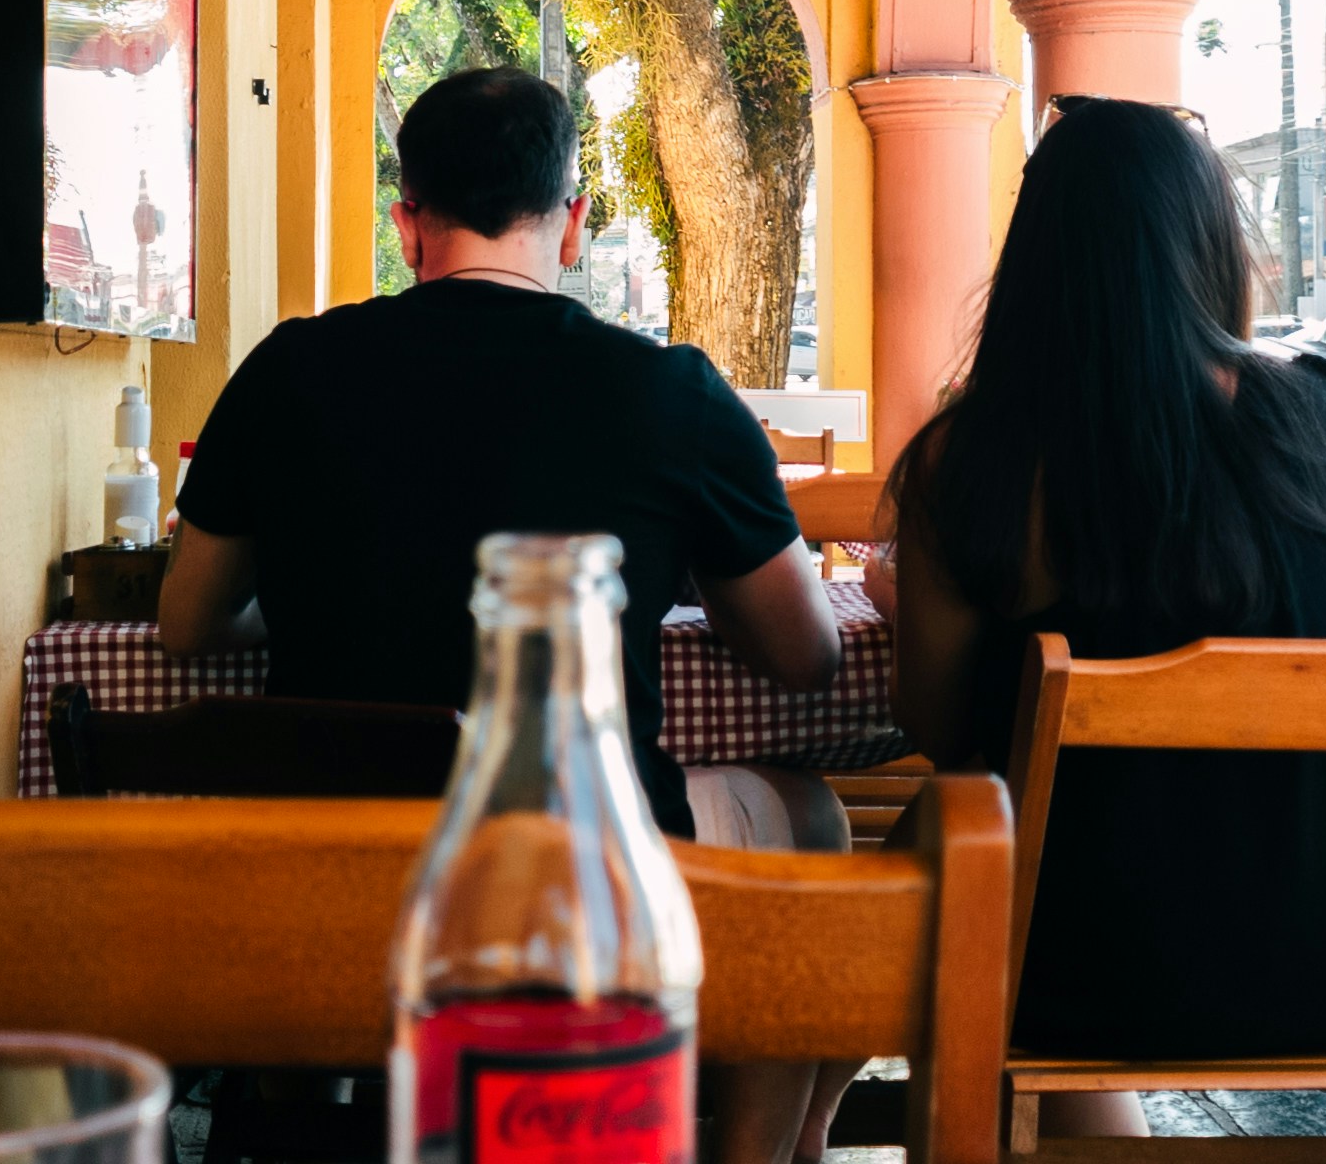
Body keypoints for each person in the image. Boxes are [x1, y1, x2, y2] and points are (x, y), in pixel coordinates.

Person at [161, 66, 851, 1164]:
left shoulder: (289, 368)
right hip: (583, 878)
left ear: (407, 220)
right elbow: (801, 653)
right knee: (810, 822)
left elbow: (190, 624)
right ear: (573, 221)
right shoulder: (669, 392)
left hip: (325, 877)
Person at [881, 98, 1326, 1129]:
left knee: (946, 836)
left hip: (1087, 973)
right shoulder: (1321, 416)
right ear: (1206, 242)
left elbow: (935, 728)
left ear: (1034, 256)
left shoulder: (977, 460)